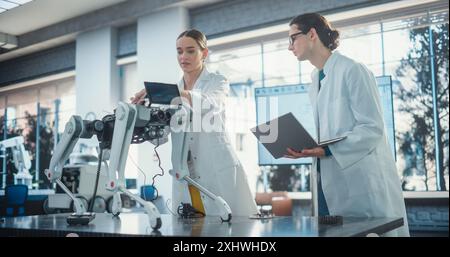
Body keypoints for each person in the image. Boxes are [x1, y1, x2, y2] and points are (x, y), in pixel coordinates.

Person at [284, 13, 409, 236]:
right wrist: (307, 148)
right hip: (329, 180)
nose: (289, 47)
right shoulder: (316, 79)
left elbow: (372, 128)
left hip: (361, 182)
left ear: (312, 34)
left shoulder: (353, 69)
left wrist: (327, 149)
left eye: (292, 38)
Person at [131, 29, 257, 217]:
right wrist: (144, 117)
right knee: (191, 228)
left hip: (215, 167)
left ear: (204, 53)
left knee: (227, 226)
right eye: (179, 51)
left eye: (190, 51)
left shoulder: (217, 81)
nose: (183, 56)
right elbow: (161, 137)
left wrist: (169, 93)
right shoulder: (175, 90)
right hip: (185, 172)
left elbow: (210, 103)